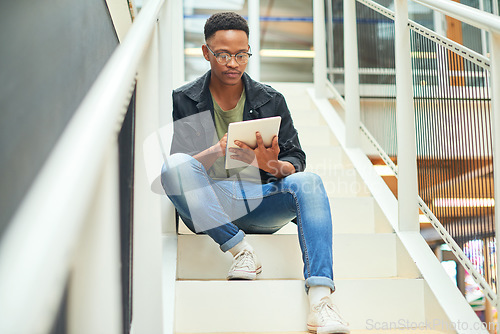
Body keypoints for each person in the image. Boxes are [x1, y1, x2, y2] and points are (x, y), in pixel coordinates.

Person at [161, 11, 350, 334]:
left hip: (258, 202)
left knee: (310, 182)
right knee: (173, 166)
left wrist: (272, 165)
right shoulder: (186, 99)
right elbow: (183, 166)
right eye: (222, 54)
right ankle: (242, 251)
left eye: (241, 54)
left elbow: (296, 160)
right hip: (210, 206)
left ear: (249, 52)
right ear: (206, 53)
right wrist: (216, 150)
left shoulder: (270, 99)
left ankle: (321, 301)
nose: (232, 63)